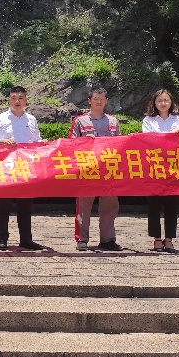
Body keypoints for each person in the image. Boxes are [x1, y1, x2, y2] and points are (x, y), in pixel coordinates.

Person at [0, 86, 45, 250]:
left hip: (26, 167)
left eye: (20, 98)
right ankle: (2, 239)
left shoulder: (31, 120)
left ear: (26, 100)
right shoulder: (0, 119)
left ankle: (26, 239)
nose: (17, 101)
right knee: (3, 203)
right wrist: (2, 141)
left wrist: (43, 144)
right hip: (5, 166)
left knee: (26, 204)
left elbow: (36, 141)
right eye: (14, 98)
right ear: (9, 100)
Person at [69, 86, 122, 251]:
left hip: (108, 169)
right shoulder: (79, 121)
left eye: (102, 99)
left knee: (110, 205)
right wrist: (84, 141)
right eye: (95, 99)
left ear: (106, 101)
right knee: (84, 205)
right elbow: (70, 144)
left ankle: (108, 239)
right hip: (87, 168)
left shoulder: (113, 121)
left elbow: (120, 144)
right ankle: (82, 239)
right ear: (89, 101)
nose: (99, 102)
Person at [142, 89, 179, 253]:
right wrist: (171, 135)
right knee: (153, 205)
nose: (163, 103)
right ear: (154, 103)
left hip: (173, 166)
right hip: (154, 167)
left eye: (166, 100)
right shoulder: (148, 120)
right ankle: (156, 238)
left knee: (172, 204)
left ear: (171, 102)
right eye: (160, 100)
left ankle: (169, 239)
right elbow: (150, 140)